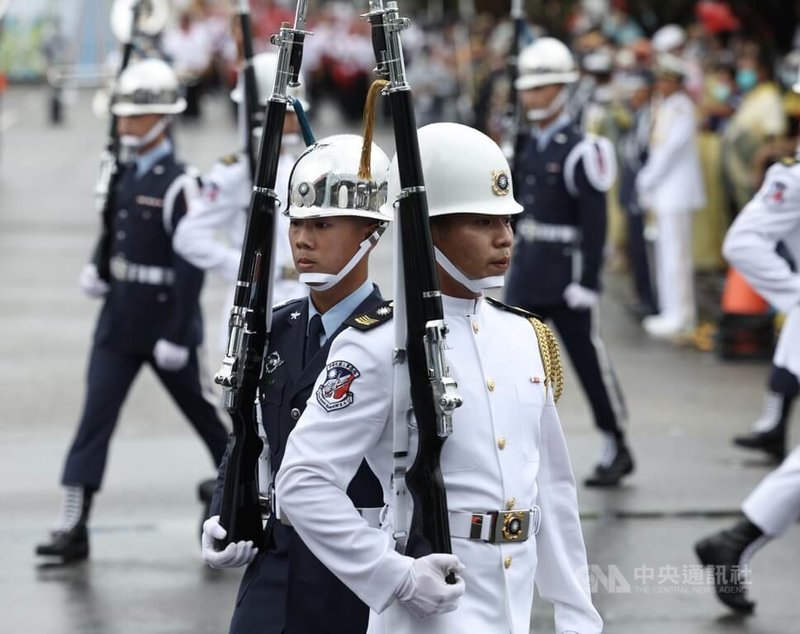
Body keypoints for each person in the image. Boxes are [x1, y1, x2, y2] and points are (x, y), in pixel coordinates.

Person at [276, 122, 603, 633]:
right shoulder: (378, 343)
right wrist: (394, 576)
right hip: (431, 605)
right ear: (425, 229)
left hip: (513, 606)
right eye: (481, 221)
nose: (505, 239)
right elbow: (302, 481)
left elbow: (552, 493)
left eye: (508, 221)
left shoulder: (524, 336)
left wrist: (578, 615)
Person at [35, 58, 229, 564]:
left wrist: (178, 332)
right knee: (94, 418)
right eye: (120, 117)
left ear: (162, 119)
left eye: (133, 117)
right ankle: (73, 521)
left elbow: (190, 263)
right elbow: (111, 226)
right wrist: (99, 266)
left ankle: (232, 502)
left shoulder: (182, 183)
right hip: (119, 319)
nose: (123, 125)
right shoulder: (123, 169)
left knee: (212, 422)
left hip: (166, 321)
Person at [201, 132, 392, 634]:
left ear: (371, 232)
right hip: (276, 555)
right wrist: (225, 512)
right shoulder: (279, 327)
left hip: (354, 567)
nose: (303, 239)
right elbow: (250, 433)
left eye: (322, 224)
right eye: (297, 224)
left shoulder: (394, 342)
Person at [506, 37, 633, 487]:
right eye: (527, 88)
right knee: (514, 365)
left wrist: (589, 281)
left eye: (541, 88)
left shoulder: (583, 148)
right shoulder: (525, 144)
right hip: (528, 270)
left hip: (566, 275)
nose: (530, 96)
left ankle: (615, 440)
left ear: (562, 89)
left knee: (587, 362)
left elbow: (595, 225)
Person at [694, 115, 800, 613]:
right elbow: (742, 242)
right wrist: (796, 295)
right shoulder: (793, 173)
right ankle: (734, 541)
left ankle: (734, 542)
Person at [174, 51, 307, 351]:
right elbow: (189, 235)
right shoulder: (236, 171)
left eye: (294, 112)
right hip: (257, 298)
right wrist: (242, 265)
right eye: (284, 113)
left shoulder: (304, 165)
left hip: (304, 293)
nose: (293, 121)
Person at [637, 54, 706, 339]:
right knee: (666, 255)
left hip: (675, 192)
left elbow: (669, 152)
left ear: (676, 82)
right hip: (664, 192)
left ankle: (682, 315)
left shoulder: (682, 109)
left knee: (676, 257)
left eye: (666, 80)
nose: (661, 85)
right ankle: (670, 310)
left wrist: (646, 180)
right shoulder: (665, 106)